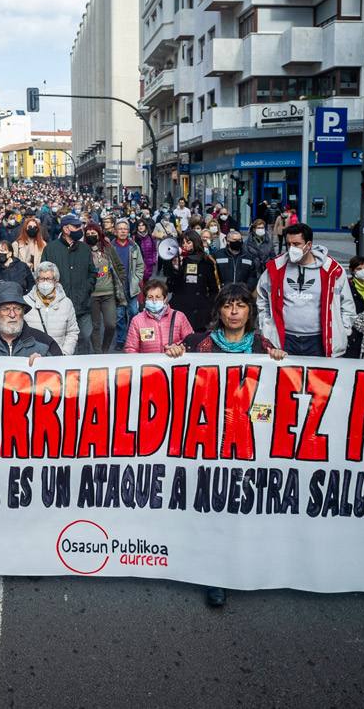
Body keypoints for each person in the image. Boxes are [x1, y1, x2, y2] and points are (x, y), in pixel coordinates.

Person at [165, 283, 287, 610]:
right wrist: (174, 354)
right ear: (219, 310)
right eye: (228, 306)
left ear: (250, 311)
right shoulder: (197, 344)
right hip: (206, 441)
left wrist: (279, 363)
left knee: (237, 508)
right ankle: (215, 576)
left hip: (246, 442)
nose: (234, 313)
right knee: (210, 507)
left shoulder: (263, 348)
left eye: (241, 306)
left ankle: (236, 565)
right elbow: (168, 379)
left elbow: (274, 400)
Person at [255, 223, 355, 357]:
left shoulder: (332, 271)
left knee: (318, 377)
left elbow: (346, 304)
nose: (291, 249)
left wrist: (343, 330)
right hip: (284, 339)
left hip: (319, 341)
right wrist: (266, 327)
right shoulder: (275, 268)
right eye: (288, 244)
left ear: (308, 245)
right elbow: (262, 299)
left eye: (296, 244)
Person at [0, 281, 63, 361]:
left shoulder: (45, 343)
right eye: (5, 309)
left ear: (23, 311)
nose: (12, 315)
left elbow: (63, 376)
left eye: (17, 308)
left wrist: (46, 366)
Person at [42, 214, 97, 353]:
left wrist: (87, 288)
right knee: (62, 339)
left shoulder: (85, 249)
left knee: (85, 336)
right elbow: (43, 274)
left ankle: (84, 369)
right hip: (59, 304)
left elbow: (92, 272)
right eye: (76, 226)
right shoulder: (51, 249)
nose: (81, 229)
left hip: (82, 303)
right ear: (66, 229)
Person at [161, 229, 220, 333]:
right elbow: (169, 287)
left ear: (196, 242)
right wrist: (176, 269)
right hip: (180, 308)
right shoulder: (177, 260)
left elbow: (213, 289)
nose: (185, 245)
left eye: (188, 242)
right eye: (183, 243)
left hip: (200, 311)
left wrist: (209, 308)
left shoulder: (206, 262)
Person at [84, 224, 128, 354]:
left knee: (111, 324)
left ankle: (105, 349)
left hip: (109, 293)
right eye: (88, 234)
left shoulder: (108, 248)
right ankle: (98, 353)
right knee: (95, 326)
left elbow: (119, 266)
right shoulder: (84, 250)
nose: (91, 236)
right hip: (92, 295)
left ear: (99, 234)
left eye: (94, 233)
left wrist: (121, 280)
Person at [23, 261, 81, 355]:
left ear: (56, 281)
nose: (45, 282)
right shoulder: (26, 302)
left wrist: (65, 353)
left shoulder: (66, 303)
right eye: (41, 279)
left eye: (49, 279)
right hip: (32, 359)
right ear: (36, 280)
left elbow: (72, 332)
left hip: (58, 358)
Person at [124, 277, 194, 354]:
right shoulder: (137, 320)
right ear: (145, 299)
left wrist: (177, 347)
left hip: (173, 363)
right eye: (150, 297)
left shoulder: (179, 317)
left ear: (165, 299)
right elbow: (130, 348)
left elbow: (190, 341)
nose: (154, 301)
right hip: (149, 365)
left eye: (158, 297)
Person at [110, 220, 145, 350]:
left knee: (134, 313)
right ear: (115, 231)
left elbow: (140, 266)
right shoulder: (110, 247)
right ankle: (121, 339)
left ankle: (132, 338)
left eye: (125, 229)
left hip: (131, 287)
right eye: (120, 229)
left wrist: (136, 279)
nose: (123, 231)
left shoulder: (134, 246)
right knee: (119, 316)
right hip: (117, 288)